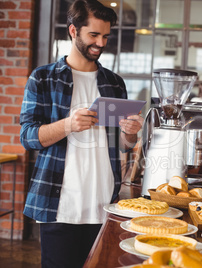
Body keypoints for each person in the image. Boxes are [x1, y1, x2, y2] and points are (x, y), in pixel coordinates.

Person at [19, 1, 144, 267]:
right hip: (59, 207)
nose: (101, 43)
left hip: (104, 207)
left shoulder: (114, 83)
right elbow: (28, 137)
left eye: (106, 36)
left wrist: (130, 135)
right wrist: (68, 125)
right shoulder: (43, 79)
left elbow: (120, 145)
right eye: (94, 35)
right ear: (73, 31)